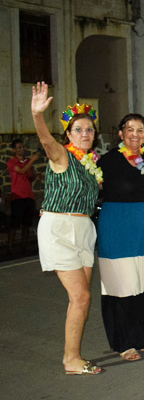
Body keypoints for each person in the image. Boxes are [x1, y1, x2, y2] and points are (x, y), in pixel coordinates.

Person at [31, 82, 103, 374]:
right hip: (59, 227)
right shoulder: (61, 155)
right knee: (81, 297)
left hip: (84, 229)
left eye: (89, 129)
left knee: (81, 299)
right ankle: (70, 360)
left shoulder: (90, 164)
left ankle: (73, 355)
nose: (85, 133)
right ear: (68, 135)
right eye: (79, 130)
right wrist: (38, 116)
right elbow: (46, 142)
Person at [97, 113, 144, 362]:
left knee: (142, 282)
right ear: (120, 133)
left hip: (142, 225)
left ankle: (140, 336)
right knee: (119, 283)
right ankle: (122, 341)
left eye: (140, 129)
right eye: (129, 129)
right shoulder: (107, 161)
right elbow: (92, 187)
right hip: (116, 225)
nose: (135, 133)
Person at [6, 138, 40, 252]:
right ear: (14, 150)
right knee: (15, 224)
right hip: (17, 196)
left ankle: (23, 247)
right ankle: (10, 248)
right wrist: (32, 160)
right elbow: (21, 171)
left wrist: (35, 175)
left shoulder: (26, 161)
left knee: (26, 223)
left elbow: (28, 176)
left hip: (28, 196)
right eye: (19, 147)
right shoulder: (11, 162)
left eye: (22, 147)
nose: (22, 149)